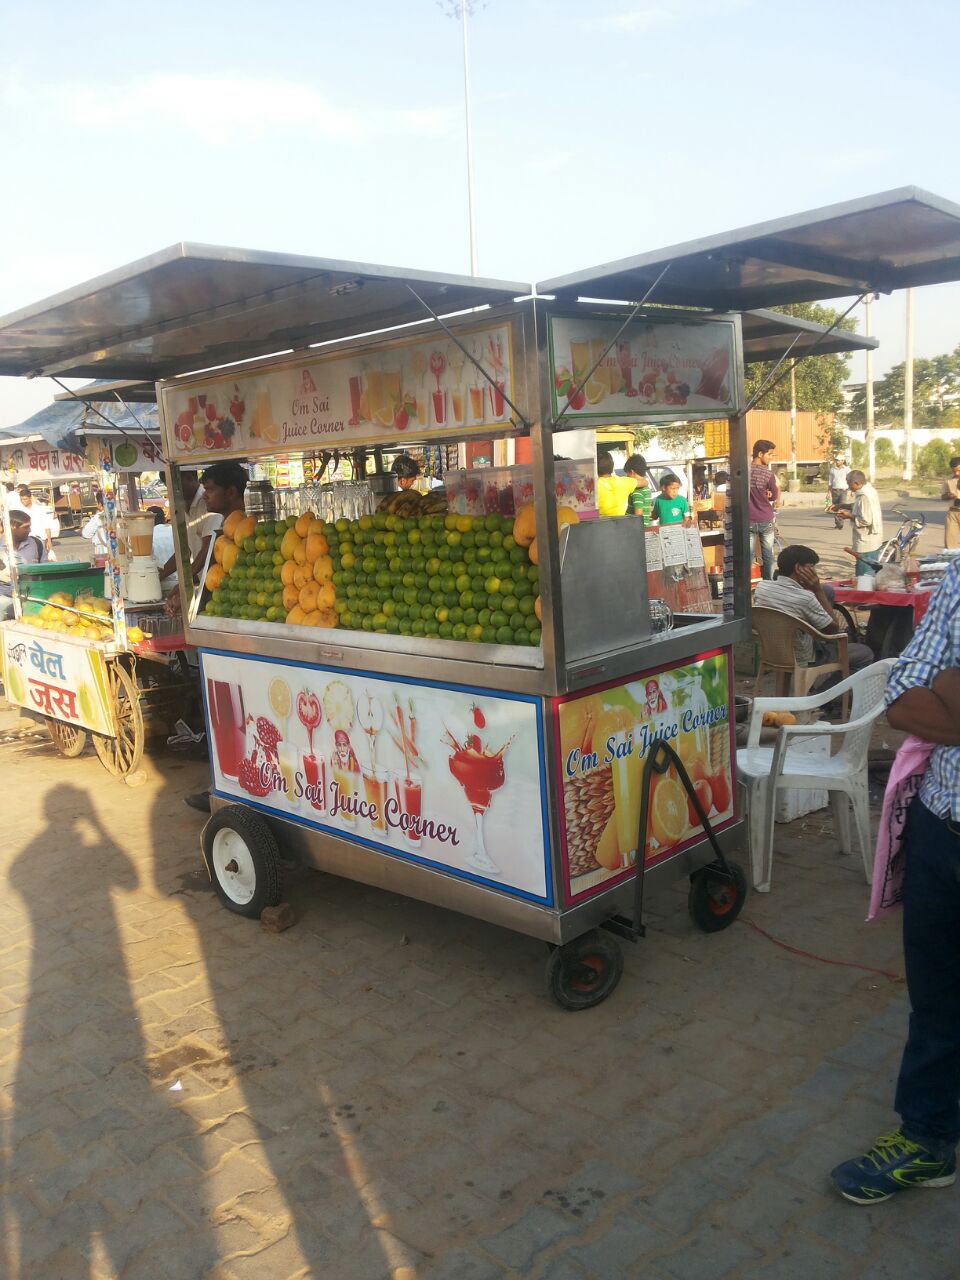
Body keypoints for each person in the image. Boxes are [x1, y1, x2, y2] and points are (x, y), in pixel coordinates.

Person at [830, 558, 960, 1204]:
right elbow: (904, 693)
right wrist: (942, 684)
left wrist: (951, 684)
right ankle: (928, 1139)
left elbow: (937, 686)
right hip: (944, 827)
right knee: (937, 1002)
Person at [183, 462, 248, 816]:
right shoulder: (222, 530)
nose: (205, 495)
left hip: (234, 636)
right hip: (219, 631)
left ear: (232, 492)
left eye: (210, 489)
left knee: (235, 718)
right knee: (224, 718)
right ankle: (221, 784)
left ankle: (225, 788)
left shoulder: (244, 531)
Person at [754, 544, 873, 676]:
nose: (815, 572)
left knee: (827, 590)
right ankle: (827, 688)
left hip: (772, 652)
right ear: (798, 568)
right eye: (811, 567)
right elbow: (833, 630)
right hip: (803, 656)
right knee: (865, 653)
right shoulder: (806, 598)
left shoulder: (762, 587)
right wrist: (818, 590)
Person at [0, 510, 48, 619]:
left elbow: (45, 569)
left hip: (33, 594)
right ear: (12, 527)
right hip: (4, 594)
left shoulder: (36, 543)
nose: (29, 530)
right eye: (26, 527)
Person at [835, 469, 884, 568]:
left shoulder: (864, 496)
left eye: (849, 484)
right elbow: (859, 506)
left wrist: (848, 516)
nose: (848, 487)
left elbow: (866, 520)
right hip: (872, 540)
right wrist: (841, 505)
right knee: (871, 570)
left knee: (865, 572)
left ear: (857, 483)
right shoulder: (868, 490)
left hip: (866, 542)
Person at [749, 439, 779, 580]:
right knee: (768, 556)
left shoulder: (743, 472)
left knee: (748, 557)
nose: (771, 458)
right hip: (766, 519)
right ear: (760, 454)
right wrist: (767, 493)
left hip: (748, 520)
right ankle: (769, 584)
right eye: (770, 454)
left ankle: (747, 585)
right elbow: (775, 495)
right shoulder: (768, 474)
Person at [16, 485, 54, 554]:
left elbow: (47, 525)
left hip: (40, 539)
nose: (23, 501)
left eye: (25, 499)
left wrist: (49, 540)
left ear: (30, 498)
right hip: (26, 540)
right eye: (21, 499)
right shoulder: (20, 511)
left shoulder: (40, 509)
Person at [596, 452, 636, 517]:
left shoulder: (593, 486)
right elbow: (645, 482)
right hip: (620, 522)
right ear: (612, 465)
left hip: (601, 522)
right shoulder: (624, 482)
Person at [939, 455, 960, 549]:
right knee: (950, 544)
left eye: (959, 470)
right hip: (953, 514)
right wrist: (949, 495)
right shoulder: (948, 479)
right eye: (954, 471)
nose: (956, 473)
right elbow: (943, 496)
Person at [624, 455, 652, 522]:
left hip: (635, 525)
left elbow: (638, 515)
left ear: (632, 472)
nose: (626, 476)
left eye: (627, 474)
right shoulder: (646, 488)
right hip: (643, 525)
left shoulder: (637, 491)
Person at [81, 495, 110, 561]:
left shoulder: (97, 517)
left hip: (102, 551)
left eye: (96, 502)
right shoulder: (118, 514)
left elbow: (86, 534)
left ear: (100, 504)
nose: (96, 505)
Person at [828, 454, 850, 530]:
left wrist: (852, 491)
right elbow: (830, 482)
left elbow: (850, 479)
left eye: (838, 460)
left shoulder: (847, 470)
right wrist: (829, 492)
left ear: (842, 461)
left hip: (843, 490)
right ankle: (837, 523)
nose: (837, 462)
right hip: (835, 490)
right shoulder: (832, 469)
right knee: (834, 507)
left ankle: (841, 523)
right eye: (836, 460)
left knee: (842, 506)